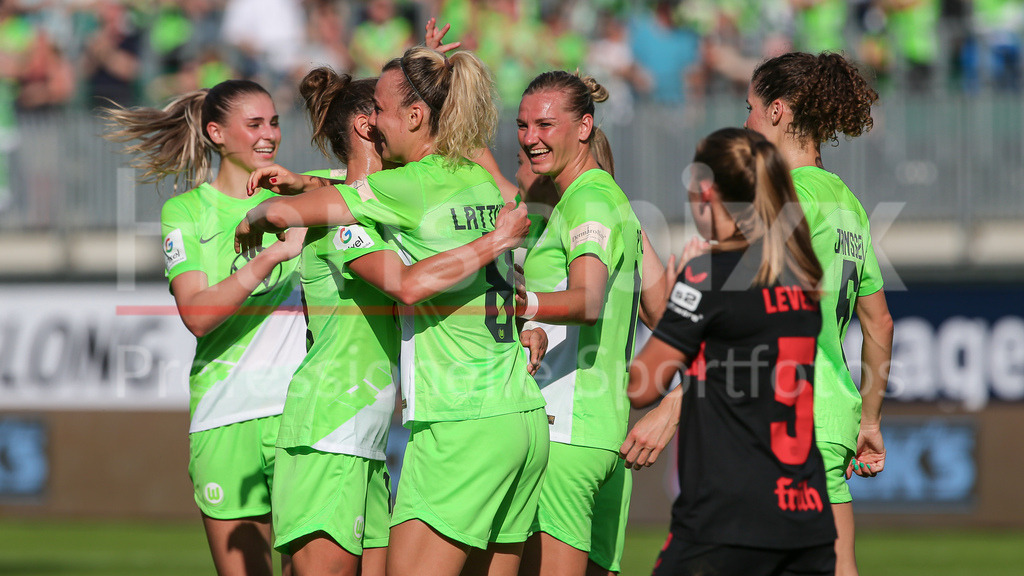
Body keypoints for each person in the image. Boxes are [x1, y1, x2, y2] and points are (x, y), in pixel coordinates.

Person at [234, 46, 548, 576]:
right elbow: (489, 199)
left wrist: (259, 216)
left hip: (456, 422)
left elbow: (393, 267)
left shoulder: (394, 192)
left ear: (416, 115)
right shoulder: (476, 179)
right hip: (519, 417)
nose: (375, 122)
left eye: (381, 109)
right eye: (371, 113)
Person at [104, 79, 305, 576]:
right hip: (224, 414)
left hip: (300, 415)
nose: (270, 135)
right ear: (216, 133)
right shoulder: (186, 212)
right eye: (254, 123)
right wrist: (271, 256)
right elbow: (196, 315)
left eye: (274, 122)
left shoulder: (306, 198)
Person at [625, 127, 836, 576]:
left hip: (728, 517)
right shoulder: (802, 274)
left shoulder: (709, 276)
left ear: (706, 192)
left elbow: (641, 384)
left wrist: (683, 292)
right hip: (807, 517)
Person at [743, 52, 894, 576]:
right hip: (832, 415)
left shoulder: (785, 199)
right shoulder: (847, 202)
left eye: (752, 109)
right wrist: (869, 420)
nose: (746, 124)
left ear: (779, 111)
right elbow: (879, 322)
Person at [513, 71, 645, 576]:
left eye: (545, 124)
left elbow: (587, 300)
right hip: (600, 427)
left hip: (567, 429)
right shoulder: (597, 198)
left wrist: (521, 306)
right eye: (523, 126)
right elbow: (655, 303)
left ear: (585, 126)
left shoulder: (589, 199)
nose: (530, 138)